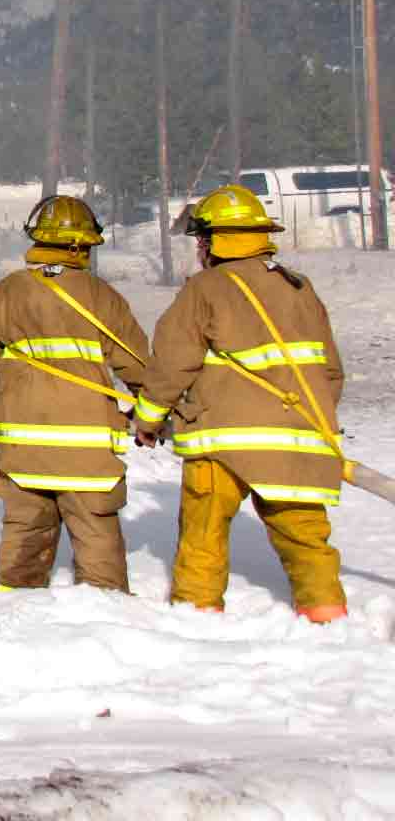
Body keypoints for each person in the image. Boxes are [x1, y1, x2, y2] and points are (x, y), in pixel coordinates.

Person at [132, 184, 348, 621]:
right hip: (298, 438)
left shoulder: (205, 289)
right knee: (307, 538)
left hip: (222, 443)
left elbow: (172, 363)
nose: (198, 249)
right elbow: (329, 372)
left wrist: (148, 420)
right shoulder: (300, 288)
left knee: (204, 536)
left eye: (200, 240)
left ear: (212, 241)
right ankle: (329, 622)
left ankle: (197, 617)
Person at [0, 195, 148, 593]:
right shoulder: (103, 298)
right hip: (87, 451)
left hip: (24, 448)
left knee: (23, 541)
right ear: (81, 245)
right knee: (98, 545)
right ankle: (105, 624)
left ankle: (13, 620)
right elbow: (140, 369)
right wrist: (151, 414)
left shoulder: (7, 293)